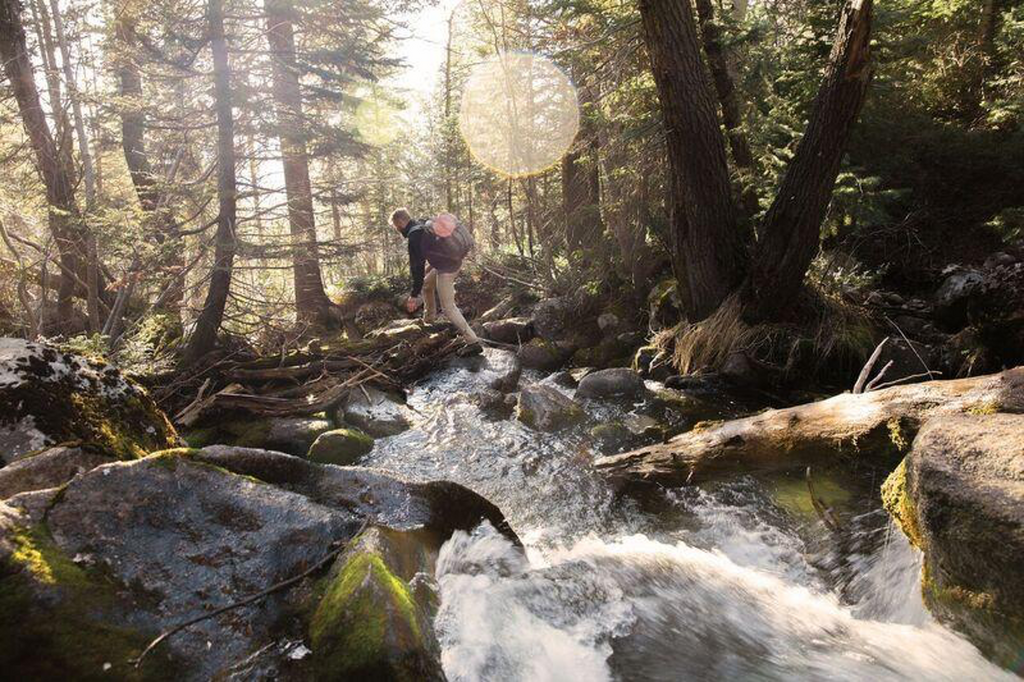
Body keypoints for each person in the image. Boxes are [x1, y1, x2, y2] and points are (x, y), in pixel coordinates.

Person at [390, 208, 482, 355]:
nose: (397, 229)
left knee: (448, 308)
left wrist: (414, 295)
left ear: (401, 221)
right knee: (427, 285)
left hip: (447, 268)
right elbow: (437, 247)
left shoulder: (414, 236)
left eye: (396, 226)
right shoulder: (422, 224)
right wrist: (429, 269)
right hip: (450, 261)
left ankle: (473, 341)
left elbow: (417, 268)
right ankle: (429, 320)